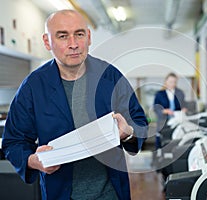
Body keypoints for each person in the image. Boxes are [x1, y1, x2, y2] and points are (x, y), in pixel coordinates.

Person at [2, 10, 148, 200]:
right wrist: (32, 161)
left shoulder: (110, 76)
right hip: (60, 193)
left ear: (88, 37)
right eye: (63, 36)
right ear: (47, 42)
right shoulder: (33, 87)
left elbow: (139, 122)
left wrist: (127, 132)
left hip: (111, 192)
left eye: (79, 34)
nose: (73, 44)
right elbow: (13, 142)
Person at [153, 72, 186, 149]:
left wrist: (184, 109)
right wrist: (164, 111)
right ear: (166, 81)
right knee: (161, 142)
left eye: (174, 82)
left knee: (175, 142)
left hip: (177, 121)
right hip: (163, 122)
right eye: (170, 82)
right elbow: (156, 107)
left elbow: (184, 105)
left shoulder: (180, 93)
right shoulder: (159, 94)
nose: (172, 84)